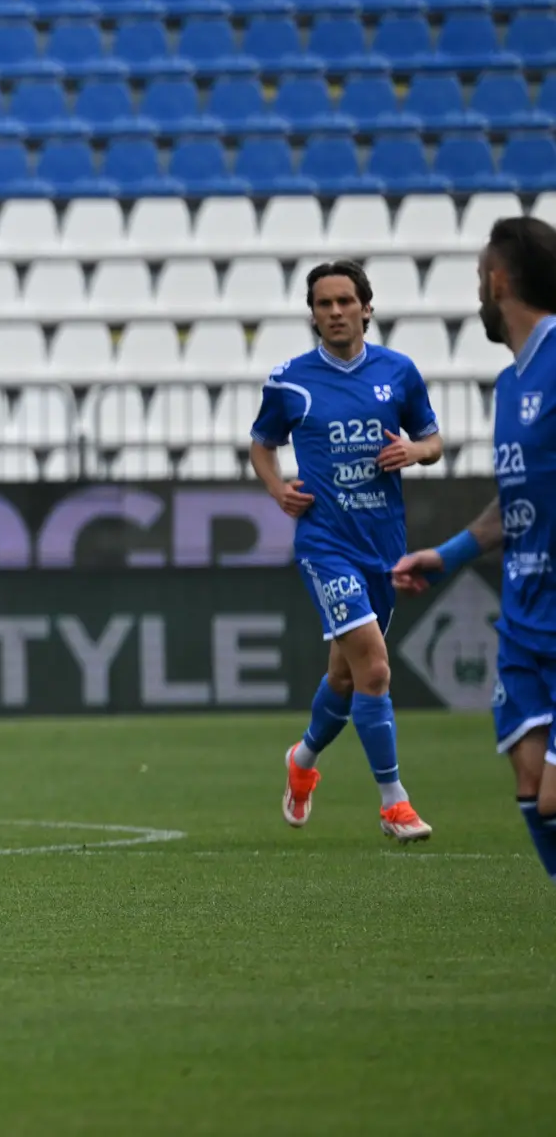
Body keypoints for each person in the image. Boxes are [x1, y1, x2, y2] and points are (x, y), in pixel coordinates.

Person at [250, 260, 442, 842]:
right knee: (375, 668)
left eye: (344, 301)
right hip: (325, 544)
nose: (335, 312)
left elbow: (433, 440)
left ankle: (303, 760)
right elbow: (261, 444)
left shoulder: (398, 372)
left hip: (382, 545)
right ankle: (394, 803)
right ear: (312, 314)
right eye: (323, 304)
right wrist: (278, 489)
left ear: (366, 307)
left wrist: (415, 452)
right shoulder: (290, 380)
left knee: (345, 674)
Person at [394, 217, 556, 882]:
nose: (478, 295)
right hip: (525, 617)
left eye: (478, 280)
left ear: (499, 280)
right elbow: (519, 502)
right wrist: (450, 554)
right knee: (531, 784)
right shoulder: (512, 383)